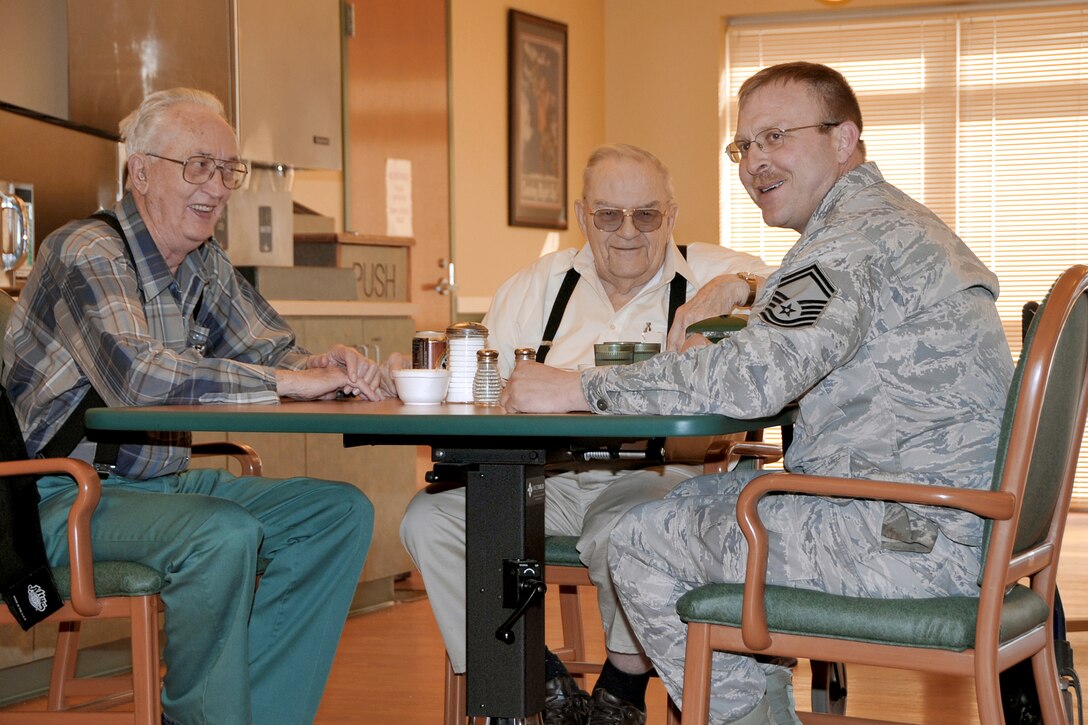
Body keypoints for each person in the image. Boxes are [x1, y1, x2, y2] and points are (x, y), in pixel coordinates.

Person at [501, 62, 1015, 724]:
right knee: (687, 506)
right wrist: (750, 294)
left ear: (843, 139)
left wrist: (577, 387)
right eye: (744, 145)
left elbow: (750, 377)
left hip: (904, 536)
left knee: (637, 540)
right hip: (947, 522)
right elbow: (804, 331)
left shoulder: (844, 245)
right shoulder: (877, 223)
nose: (754, 163)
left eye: (776, 137)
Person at [3, 87, 381, 725]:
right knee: (221, 534)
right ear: (141, 171)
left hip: (162, 486)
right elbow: (138, 380)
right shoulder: (85, 253)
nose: (218, 186)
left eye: (229, 170)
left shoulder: (202, 264)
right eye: (199, 165)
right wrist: (285, 383)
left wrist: (325, 366)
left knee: (339, 513)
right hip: (59, 495)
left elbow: (272, 350)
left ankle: (255, 716)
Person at [400, 143, 775, 725]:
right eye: (608, 214)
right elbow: (480, 388)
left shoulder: (705, 270)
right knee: (429, 519)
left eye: (647, 214)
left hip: (659, 478)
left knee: (626, 528)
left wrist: (740, 288)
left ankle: (621, 690)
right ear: (582, 217)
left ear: (671, 216)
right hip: (542, 479)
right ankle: (536, 677)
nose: (628, 231)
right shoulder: (536, 287)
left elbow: (805, 288)